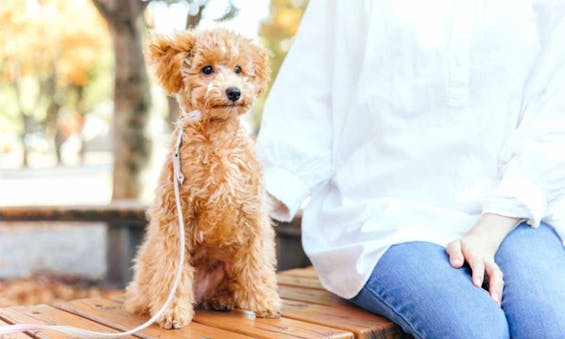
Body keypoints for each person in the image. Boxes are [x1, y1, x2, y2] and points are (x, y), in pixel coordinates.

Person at [256, 1, 565, 338]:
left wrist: (489, 230)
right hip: (382, 219)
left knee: (549, 326)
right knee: (474, 330)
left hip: (517, 215)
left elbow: (555, 117)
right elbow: (306, 105)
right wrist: (234, 232)